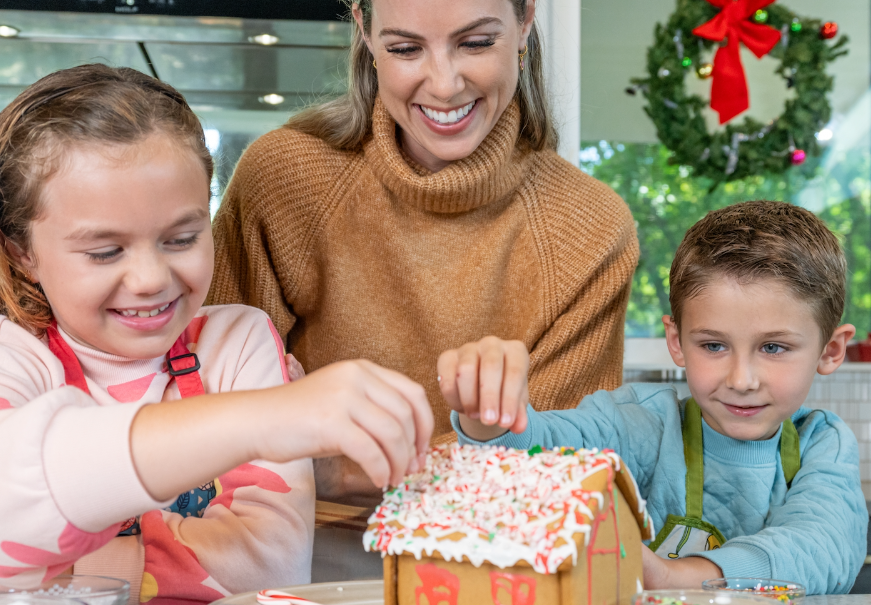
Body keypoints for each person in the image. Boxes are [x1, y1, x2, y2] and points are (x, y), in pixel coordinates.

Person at [0, 65, 433, 605]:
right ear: (22, 252)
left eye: (182, 238)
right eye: (105, 251)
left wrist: (7, 583)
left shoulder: (238, 343)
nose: (153, 278)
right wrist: (259, 421)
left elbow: (268, 568)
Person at [208, 0, 639, 504]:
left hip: (489, 558)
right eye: (406, 48)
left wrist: (340, 471)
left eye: (476, 43)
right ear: (365, 34)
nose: (443, 84)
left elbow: (552, 466)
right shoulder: (283, 180)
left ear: (524, 23)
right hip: (294, 545)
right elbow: (210, 409)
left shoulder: (589, 229)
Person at [438, 200, 868, 595]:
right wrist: (487, 414)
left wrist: (673, 576)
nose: (742, 379)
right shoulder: (643, 424)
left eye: (773, 348)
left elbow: (822, 546)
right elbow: (538, 454)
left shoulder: (822, 445)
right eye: (713, 346)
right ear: (677, 341)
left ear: (830, 350)